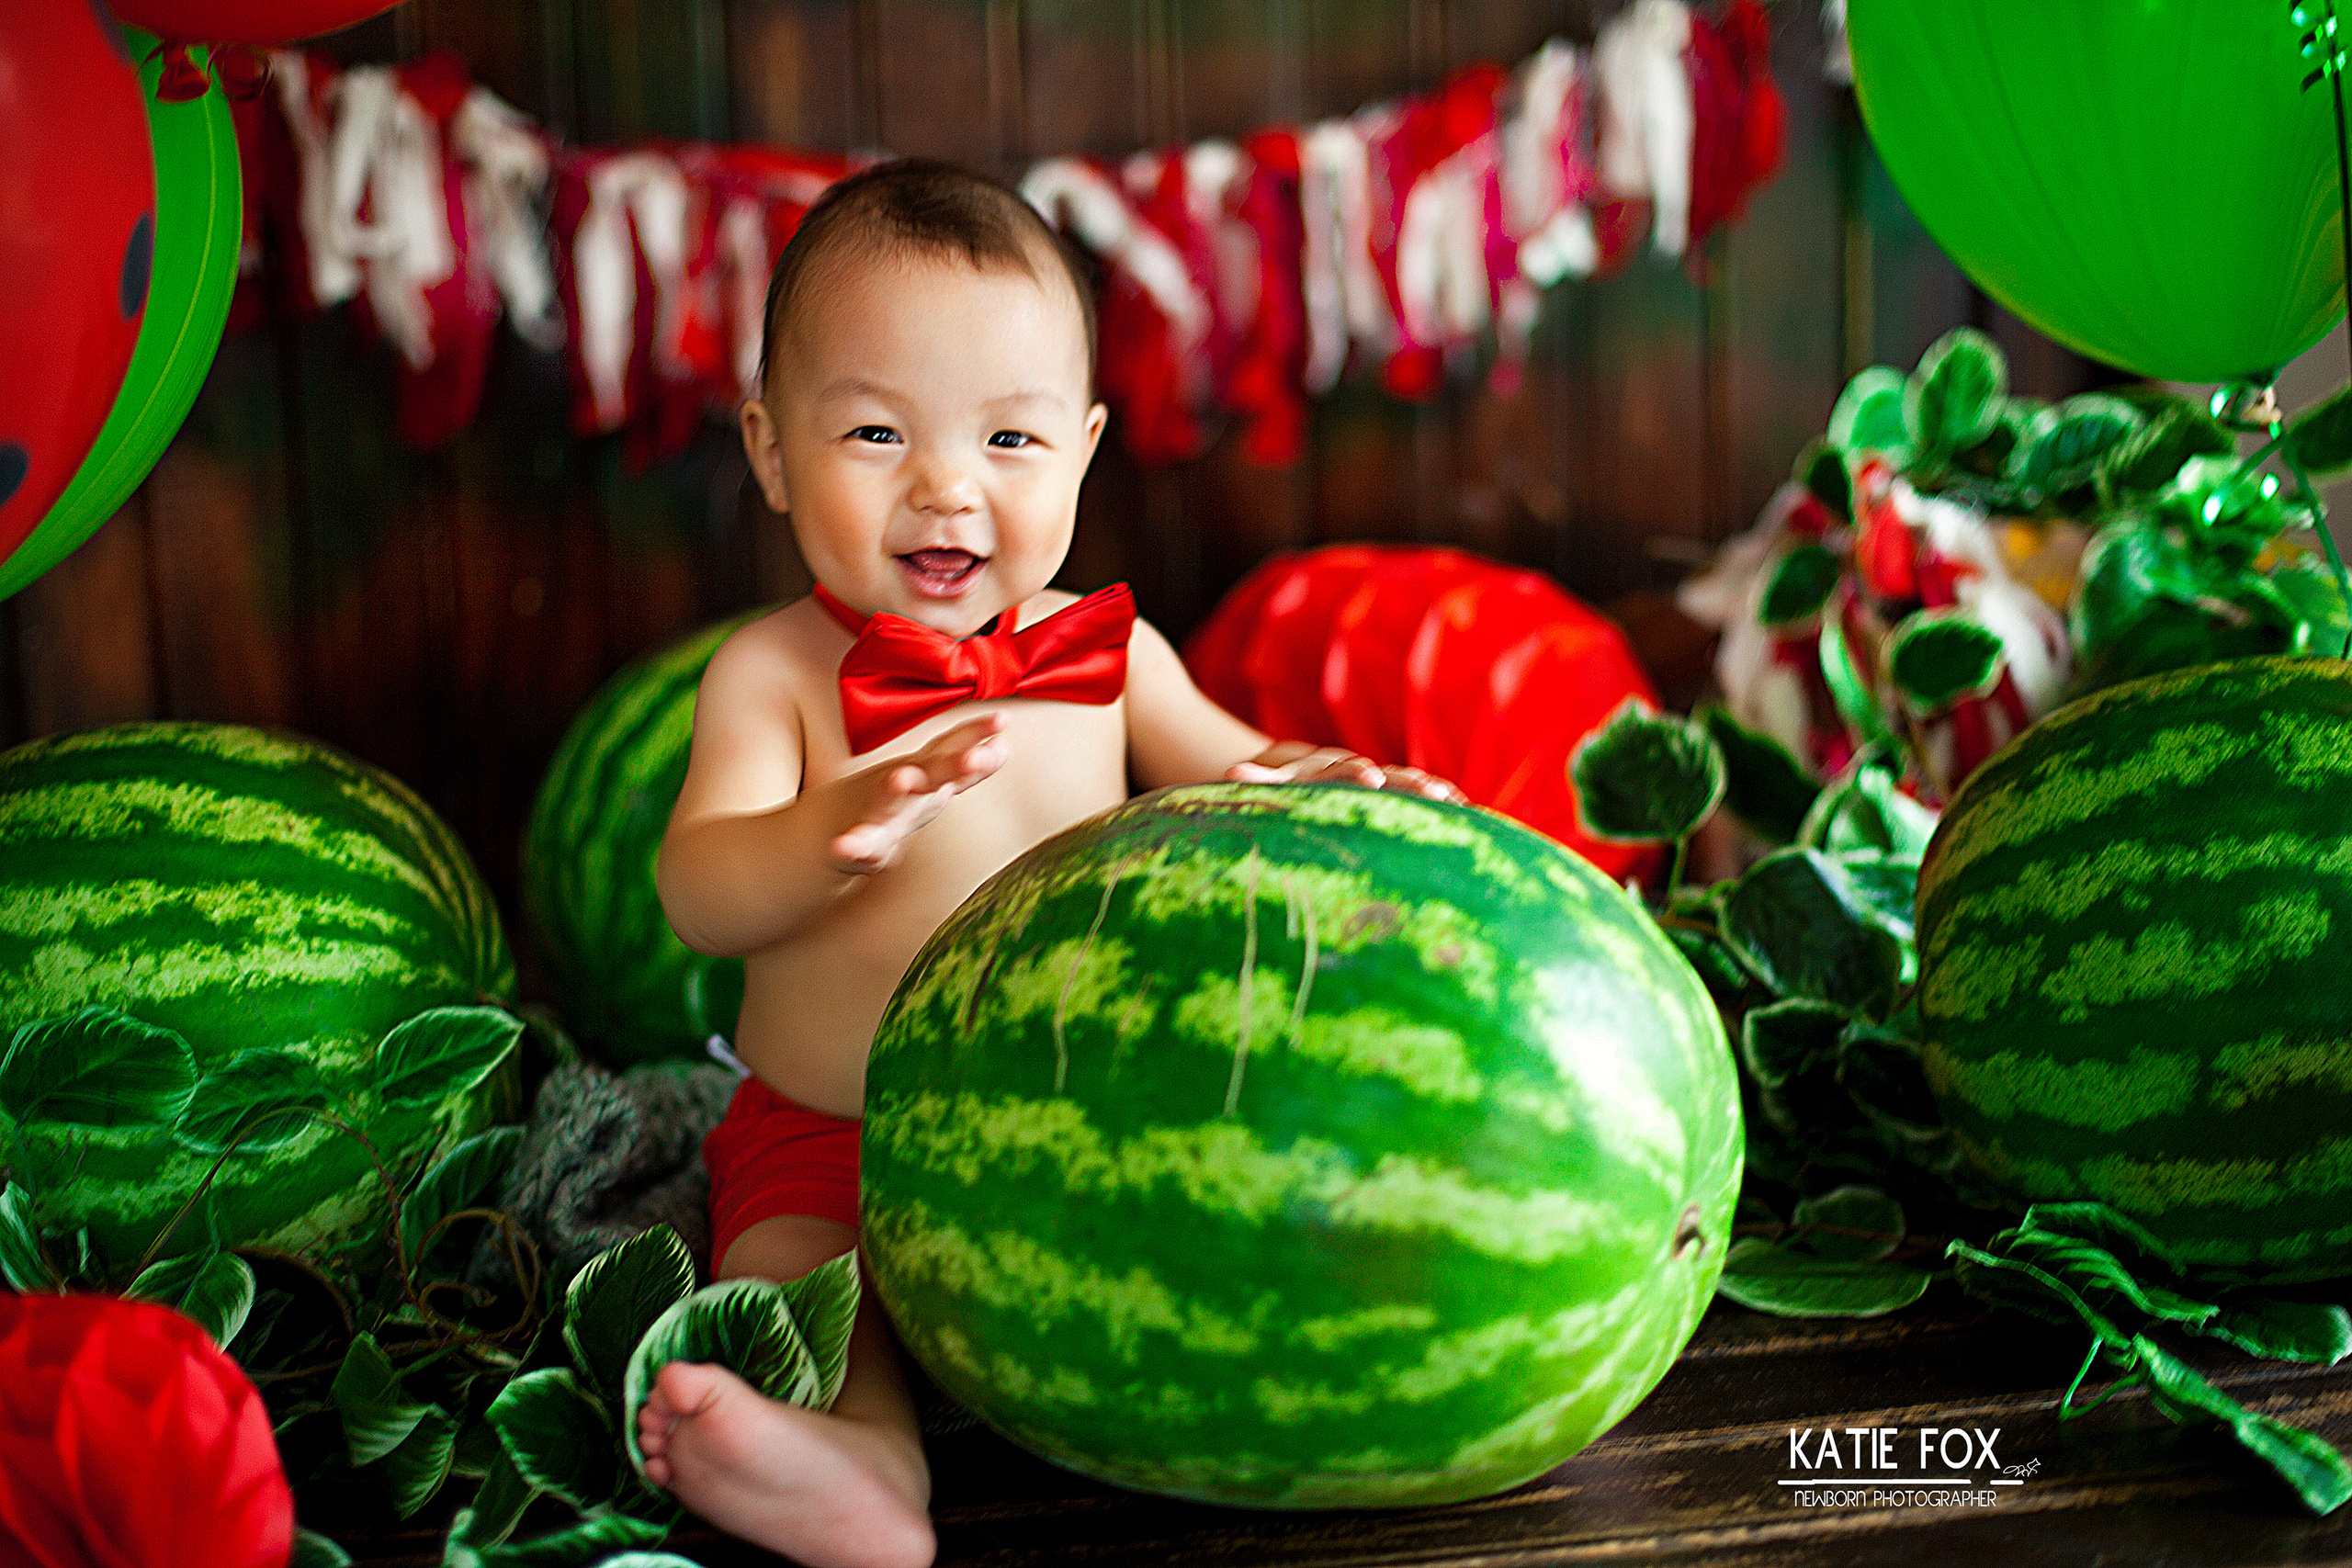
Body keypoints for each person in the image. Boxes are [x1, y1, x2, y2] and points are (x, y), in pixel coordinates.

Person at [637, 158, 1460, 1568]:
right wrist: (822, 837)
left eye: (1008, 440)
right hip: (832, 1127)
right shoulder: (770, 676)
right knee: (797, 1286)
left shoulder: (1112, 656)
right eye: (878, 433)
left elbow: (1240, 770)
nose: (946, 487)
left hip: (1076, 1127)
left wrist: (1329, 782)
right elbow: (699, 893)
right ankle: (859, 1466)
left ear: (1081, 453)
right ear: (771, 451)